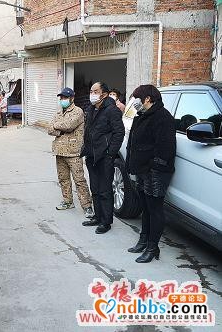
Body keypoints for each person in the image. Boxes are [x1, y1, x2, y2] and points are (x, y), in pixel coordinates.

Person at [125, 85, 176, 263]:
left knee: (155, 209)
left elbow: (165, 149)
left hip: (155, 172)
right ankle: (144, 240)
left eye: (136, 98)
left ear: (147, 99)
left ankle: (153, 247)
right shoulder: (142, 116)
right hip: (142, 170)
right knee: (145, 208)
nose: (134, 102)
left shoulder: (163, 118)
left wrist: (152, 165)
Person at [80, 82, 125, 234]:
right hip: (91, 155)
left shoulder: (112, 110)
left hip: (104, 157)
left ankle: (106, 222)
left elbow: (119, 133)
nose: (92, 94)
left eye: (95, 91)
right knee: (95, 188)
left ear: (104, 94)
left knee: (105, 190)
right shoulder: (91, 108)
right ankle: (97, 217)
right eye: (91, 91)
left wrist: (110, 153)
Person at [49, 87, 94, 218]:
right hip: (59, 151)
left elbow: (69, 125)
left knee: (79, 180)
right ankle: (68, 201)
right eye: (61, 98)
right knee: (63, 178)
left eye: (65, 97)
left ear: (72, 98)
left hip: (73, 152)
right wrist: (60, 129)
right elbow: (49, 128)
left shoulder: (78, 111)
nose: (62, 100)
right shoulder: (58, 113)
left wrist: (58, 127)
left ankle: (87, 206)